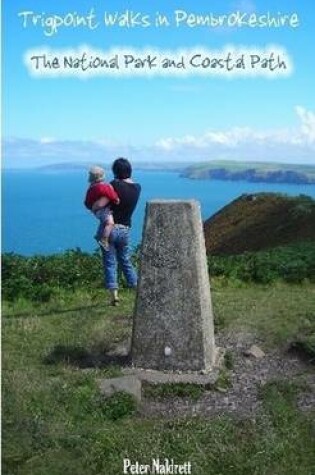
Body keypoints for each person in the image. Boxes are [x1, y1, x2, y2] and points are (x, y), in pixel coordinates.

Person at [102, 158, 141, 305]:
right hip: (125, 229)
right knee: (125, 260)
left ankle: (114, 296)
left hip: (109, 228)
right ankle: (137, 288)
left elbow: (102, 202)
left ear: (115, 171)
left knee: (110, 262)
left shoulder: (114, 185)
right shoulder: (137, 188)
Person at [84, 166, 120, 250]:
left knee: (104, 222)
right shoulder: (104, 187)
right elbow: (111, 194)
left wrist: (92, 208)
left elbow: (87, 201)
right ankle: (104, 239)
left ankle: (99, 234)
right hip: (103, 210)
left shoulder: (91, 187)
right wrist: (116, 200)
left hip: (96, 211)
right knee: (110, 223)